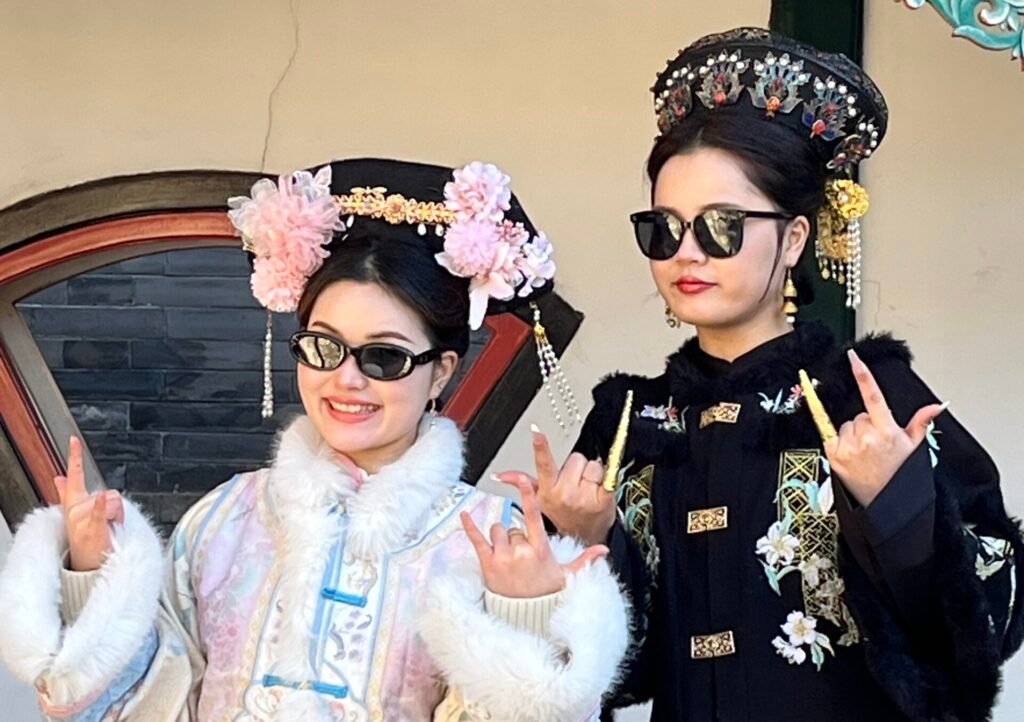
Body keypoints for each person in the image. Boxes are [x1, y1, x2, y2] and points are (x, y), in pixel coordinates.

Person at [512, 27, 1023, 721]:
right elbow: (615, 674)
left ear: (793, 238)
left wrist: (897, 505)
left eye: (721, 226)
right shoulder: (629, 424)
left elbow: (993, 623)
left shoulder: (869, 395)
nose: (685, 254)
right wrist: (587, 544)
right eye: (663, 229)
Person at [0, 158, 629, 721]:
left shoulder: (489, 542)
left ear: (441, 369)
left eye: (383, 357)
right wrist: (90, 574)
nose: (344, 379)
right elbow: (142, 705)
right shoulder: (221, 522)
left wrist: (524, 615)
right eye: (322, 347)